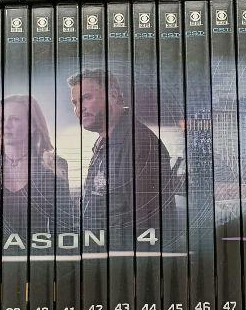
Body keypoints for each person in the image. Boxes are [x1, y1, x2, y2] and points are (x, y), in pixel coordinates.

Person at [0, 95, 74, 252]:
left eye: (14, 119)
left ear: (33, 126)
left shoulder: (53, 167)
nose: (5, 126)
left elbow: (65, 230)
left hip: (37, 259)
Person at [69, 68, 175, 247]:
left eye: (87, 98)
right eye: (75, 102)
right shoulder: (104, 142)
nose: (80, 108)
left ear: (113, 95)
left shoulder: (139, 145)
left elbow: (150, 223)